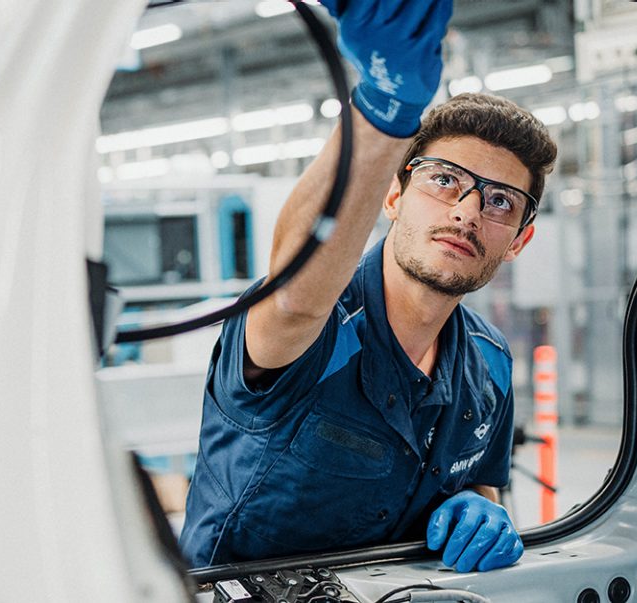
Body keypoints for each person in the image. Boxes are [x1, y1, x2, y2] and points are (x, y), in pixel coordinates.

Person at [179, 0, 556, 573]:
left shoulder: (491, 363)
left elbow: (479, 484)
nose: (467, 212)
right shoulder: (316, 327)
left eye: (500, 200)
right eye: (445, 180)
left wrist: (481, 511)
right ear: (394, 196)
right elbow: (294, 296)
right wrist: (384, 110)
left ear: (519, 241)